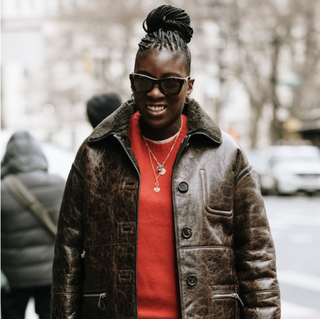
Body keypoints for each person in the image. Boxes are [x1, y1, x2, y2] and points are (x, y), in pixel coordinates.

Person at [51, 4, 280, 319]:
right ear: (132, 81)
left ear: (189, 85)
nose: (155, 94)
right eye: (144, 82)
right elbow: (67, 260)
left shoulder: (227, 155)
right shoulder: (95, 153)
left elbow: (258, 264)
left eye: (170, 83)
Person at [1, 131, 65, 319]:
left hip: (14, 276)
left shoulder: (3, 190)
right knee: (50, 314)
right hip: (51, 273)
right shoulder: (59, 184)